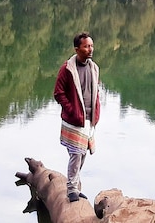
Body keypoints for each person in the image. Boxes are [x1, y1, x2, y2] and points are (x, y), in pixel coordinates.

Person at [53, 32, 101, 203]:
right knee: (76, 154)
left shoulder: (94, 68)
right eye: (87, 46)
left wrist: (96, 113)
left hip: (89, 120)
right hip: (74, 121)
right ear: (77, 49)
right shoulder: (67, 68)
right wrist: (72, 110)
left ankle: (74, 185)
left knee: (82, 155)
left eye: (91, 46)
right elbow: (58, 93)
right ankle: (72, 190)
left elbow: (96, 92)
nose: (90, 49)